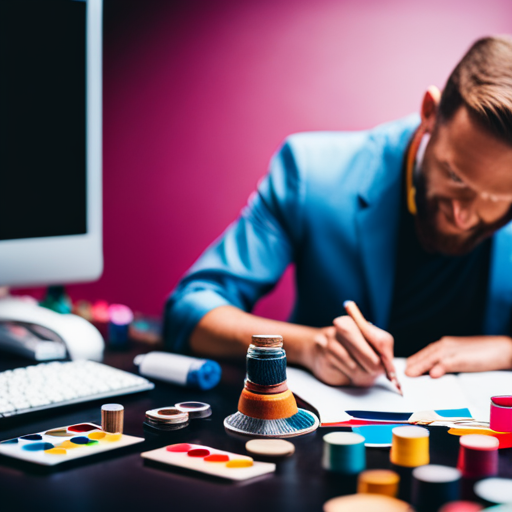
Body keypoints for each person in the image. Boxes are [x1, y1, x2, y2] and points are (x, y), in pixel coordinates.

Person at [164, 36, 512, 387]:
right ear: (429, 113)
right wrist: (308, 347)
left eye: (500, 196)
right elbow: (189, 311)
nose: (465, 216)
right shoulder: (311, 173)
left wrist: (508, 350)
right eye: (455, 176)